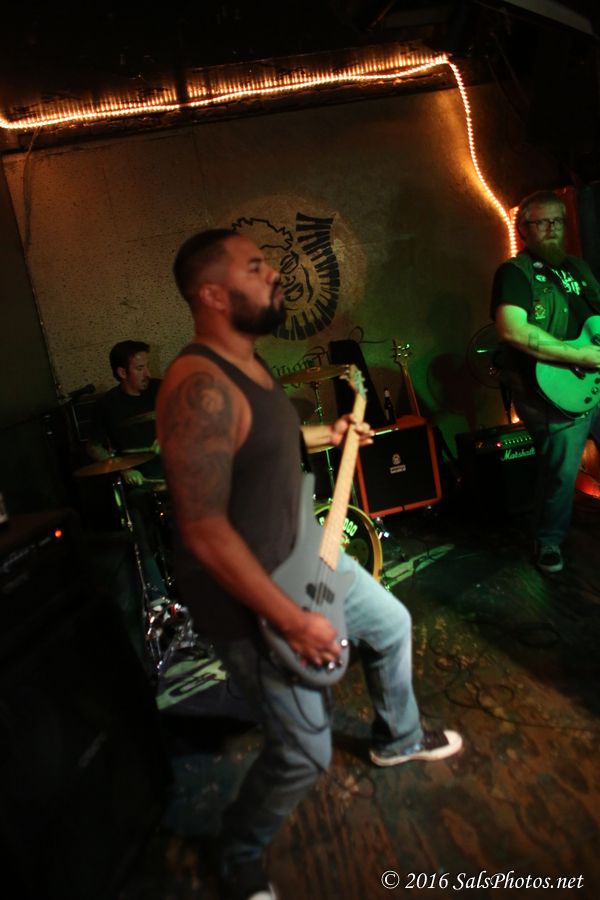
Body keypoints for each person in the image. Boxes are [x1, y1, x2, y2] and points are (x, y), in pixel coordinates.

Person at [156, 229, 462, 900]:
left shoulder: (251, 363)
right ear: (212, 294)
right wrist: (294, 622)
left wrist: (331, 432)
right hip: (252, 596)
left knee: (390, 626)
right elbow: (204, 531)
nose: (274, 274)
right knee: (302, 753)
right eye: (255, 266)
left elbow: (265, 441)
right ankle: (238, 851)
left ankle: (398, 737)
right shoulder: (198, 386)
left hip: (303, 553)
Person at [491, 190, 600, 574]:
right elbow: (512, 330)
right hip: (550, 388)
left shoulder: (579, 268)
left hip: (593, 377)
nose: (553, 229)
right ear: (524, 229)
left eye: (558, 221)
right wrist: (578, 356)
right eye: (543, 222)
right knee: (561, 470)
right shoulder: (514, 273)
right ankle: (548, 541)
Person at [87, 340, 168, 601]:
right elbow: (94, 446)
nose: (148, 373)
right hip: (139, 481)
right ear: (122, 372)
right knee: (136, 522)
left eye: (148, 366)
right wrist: (121, 469)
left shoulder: (161, 389)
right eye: (140, 368)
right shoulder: (107, 405)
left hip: (175, 472)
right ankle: (157, 593)